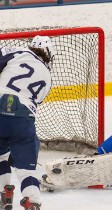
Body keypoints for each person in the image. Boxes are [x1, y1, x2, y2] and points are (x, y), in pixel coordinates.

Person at [0, 35, 54, 210]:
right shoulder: (47, 76)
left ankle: (5, 193)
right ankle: (33, 201)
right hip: (23, 119)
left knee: (0, 156)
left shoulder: (17, 52)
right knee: (27, 171)